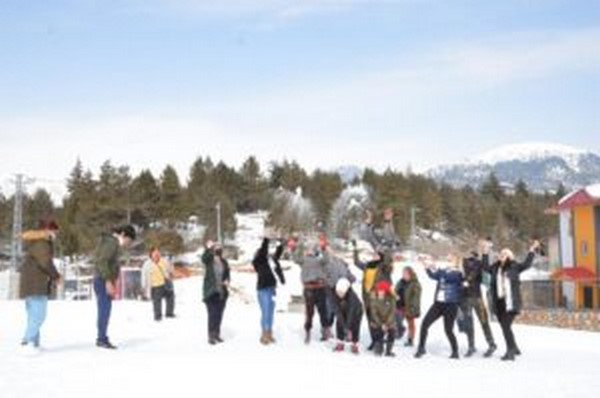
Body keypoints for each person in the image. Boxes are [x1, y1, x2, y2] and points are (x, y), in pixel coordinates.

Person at [481, 239, 539, 361]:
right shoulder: (495, 267)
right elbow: (485, 267)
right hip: (499, 302)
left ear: (509, 256)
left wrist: (532, 250)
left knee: (506, 326)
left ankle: (510, 352)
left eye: (505, 254)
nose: (502, 255)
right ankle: (515, 347)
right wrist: (485, 252)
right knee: (504, 326)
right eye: (501, 253)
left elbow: (527, 264)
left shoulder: (514, 266)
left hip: (511, 303)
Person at [19, 220, 62, 353]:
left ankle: (34, 344)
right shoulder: (42, 243)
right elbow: (45, 262)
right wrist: (56, 276)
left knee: (33, 315)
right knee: (39, 315)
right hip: (35, 283)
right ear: (47, 230)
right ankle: (27, 342)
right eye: (55, 231)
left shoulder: (37, 242)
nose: (56, 234)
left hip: (31, 282)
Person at [93, 225, 136, 350]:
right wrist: (107, 281)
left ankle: (102, 337)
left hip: (103, 279)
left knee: (105, 310)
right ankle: (101, 339)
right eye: (128, 240)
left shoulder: (110, 242)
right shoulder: (111, 243)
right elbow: (101, 261)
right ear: (123, 234)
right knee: (104, 310)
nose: (128, 244)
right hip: (102, 280)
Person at [415, 254, 464, 359]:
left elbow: (447, 278)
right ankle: (421, 348)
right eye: (447, 259)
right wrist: (427, 267)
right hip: (438, 304)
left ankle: (455, 352)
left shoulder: (458, 273)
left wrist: (433, 266)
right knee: (425, 324)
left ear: (456, 262)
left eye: (450, 260)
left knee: (448, 330)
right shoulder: (444, 271)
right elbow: (433, 276)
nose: (448, 261)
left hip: (451, 305)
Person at [352, 240, 393, 350]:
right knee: (370, 319)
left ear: (380, 257)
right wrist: (355, 250)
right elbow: (356, 263)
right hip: (366, 296)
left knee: (377, 319)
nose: (374, 256)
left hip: (378, 296)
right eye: (373, 254)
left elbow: (388, 262)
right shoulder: (368, 266)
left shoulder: (384, 268)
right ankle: (374, 340)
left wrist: (386, 250)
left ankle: (379, 341)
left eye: (376, 255)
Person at [458, 251, 497, 358]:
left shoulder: (478, 265)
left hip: (477, 298)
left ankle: (491, 343)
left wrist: (468, 279)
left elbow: (477, 273)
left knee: (483, 321)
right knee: (469, 323)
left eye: (473, 257)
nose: (471, 259)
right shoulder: (463, 264)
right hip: (467, 298)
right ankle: (471, 346)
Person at [293, 242, 331, 344]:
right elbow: (295, 258)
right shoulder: (304, 260)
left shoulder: (319, 261)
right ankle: (309, 332)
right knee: (312, 312)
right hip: (310, 288)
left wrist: (324, 248)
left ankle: (324, 331)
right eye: (308, 250)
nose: (310, 252)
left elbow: (327, 259)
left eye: (312, 250)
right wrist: (294, 248)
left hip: (318, 288)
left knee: (320, 311)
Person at [251, 236, 286, 345]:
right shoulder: (258, 262)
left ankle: (269, 333)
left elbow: (278, 253)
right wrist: (266, 240)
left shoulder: (271, 261)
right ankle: (264, 334)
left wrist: (280, 243)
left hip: (272, 289)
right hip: (263, 290)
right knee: (265, 312)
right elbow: (263, 250)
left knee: (270, 312)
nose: (267, 254)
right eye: (263, 252)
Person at [201, 240, 231, 345]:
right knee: (212, 314)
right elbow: (204, 258)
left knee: (219, 314)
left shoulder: (224, 262)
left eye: (220, 248)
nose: (218, 250)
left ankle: (217, 334)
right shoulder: (209, 261)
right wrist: (208, 248)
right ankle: (211, 335)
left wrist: (227, 280)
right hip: (210, 292)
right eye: (216, 248)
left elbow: (227, 274)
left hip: (222, 292)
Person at [141, 247, 176, 322]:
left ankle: (169, 313)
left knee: (171, 297)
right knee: (157, 301)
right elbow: (144, 275)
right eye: (155, 252)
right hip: (155, 285)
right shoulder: (147, 264)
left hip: (165, 283)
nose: (157, 254)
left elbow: (171, 270)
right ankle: (158, 316)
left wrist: (171, 268)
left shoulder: (164, 261)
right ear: (151, 254)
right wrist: (143, 286)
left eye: (158, 252)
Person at [324, 252, 357, 329]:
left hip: (341, 291)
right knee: (331, 309)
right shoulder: (330, 265)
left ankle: (340, 330)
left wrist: (351, 279)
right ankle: (327, 328)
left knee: (338, 310)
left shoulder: (344, 265)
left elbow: (348, 275)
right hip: (332, 290)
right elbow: (325, 276)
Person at [333, 278, 363, 355]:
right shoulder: (335, 295)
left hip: (356, 312)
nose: (339, 294)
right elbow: (337, 312)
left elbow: (351, 313)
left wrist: (347, 328)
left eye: (341, 292)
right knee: (339, 323)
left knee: (355, 325)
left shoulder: (352, 297)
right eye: (338, 292)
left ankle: (354, 344)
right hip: (343, 310)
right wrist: (343, 326)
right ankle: (340, 342)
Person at [395, 266, 422, 347]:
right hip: (399, 305)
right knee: (395, 320)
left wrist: (413, 308)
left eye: (405, 273)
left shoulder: (415, 284)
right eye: (403, 273)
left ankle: (410, 339)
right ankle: (397, 332)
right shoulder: (400, 282)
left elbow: (416, 297)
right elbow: (395, 291)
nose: (403, 275)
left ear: (410, 274)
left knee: (410, 323)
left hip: (409, 307)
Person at [370, 280, 397, 357]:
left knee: (392, 331)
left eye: (382, 291)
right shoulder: (373, 298)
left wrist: (387, 324)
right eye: (379, 290)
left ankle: (389, 350)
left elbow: (392, 312)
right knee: (377, 329)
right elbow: (374, 313)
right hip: (378, 321)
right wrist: (381, 324)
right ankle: (378, 347)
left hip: (389, 321)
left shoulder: (391, 298)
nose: (380, 292)